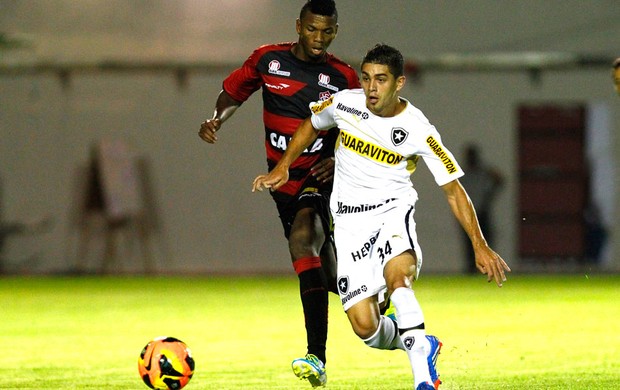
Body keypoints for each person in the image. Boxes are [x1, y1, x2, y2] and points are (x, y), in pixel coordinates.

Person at [253, 44, 511, 390]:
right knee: (367, 329)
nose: (372, 88)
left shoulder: (418, 129)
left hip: (392, 213)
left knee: (398, 281)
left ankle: (422, 380)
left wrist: (480, 245)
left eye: (381, 79)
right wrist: (283, 166)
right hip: (348, 225)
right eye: (366, 78)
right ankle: (425, 345)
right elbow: (311, 125)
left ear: (399, 83)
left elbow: (454, 189)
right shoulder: (345, 103)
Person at [198, 1, 360, 387]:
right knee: (337, 281)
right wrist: (216, 119)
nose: (319, 39)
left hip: (319, 177)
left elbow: (364, 125)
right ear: (299, 26)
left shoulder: (343, 77)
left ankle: (316, 358)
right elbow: (235, 91)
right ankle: (381, 297)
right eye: (313, 29)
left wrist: (339, 160)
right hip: (281, 182)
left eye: (327, 31)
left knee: (302, 243)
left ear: (335, 31)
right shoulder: (268, 59)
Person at [458, 144, 504, 274]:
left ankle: (488, 268)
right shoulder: (462, 172)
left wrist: (489, 197)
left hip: (482, 210)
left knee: (486, 239)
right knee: (468, 242)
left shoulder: (483, 171)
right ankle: (471, 268)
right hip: (468, 212)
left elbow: (499, 179)